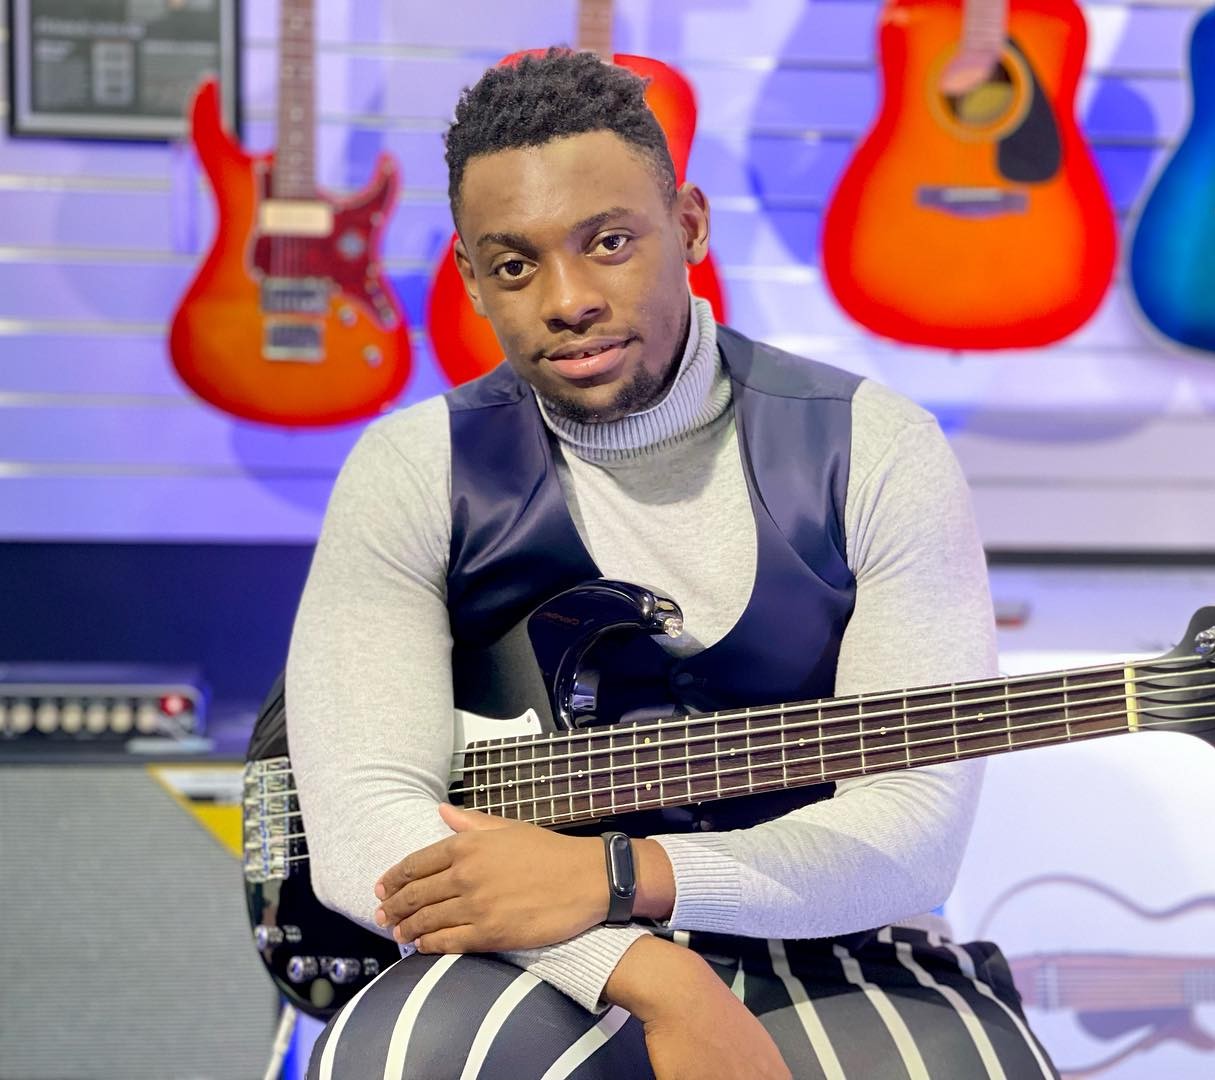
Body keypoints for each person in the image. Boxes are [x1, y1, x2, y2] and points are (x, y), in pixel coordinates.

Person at [287, 48, 1056, 1080]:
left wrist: (623, 875)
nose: (566, 300)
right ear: (469, 277)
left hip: (835, 930)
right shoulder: (411, 468)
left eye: (609, 243)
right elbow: (361, 826)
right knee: (407, 1062)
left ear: (689, 224)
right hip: (522, 942)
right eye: (514, 266)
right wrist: (648, 971)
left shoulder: (878, 447)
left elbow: (908, 832)